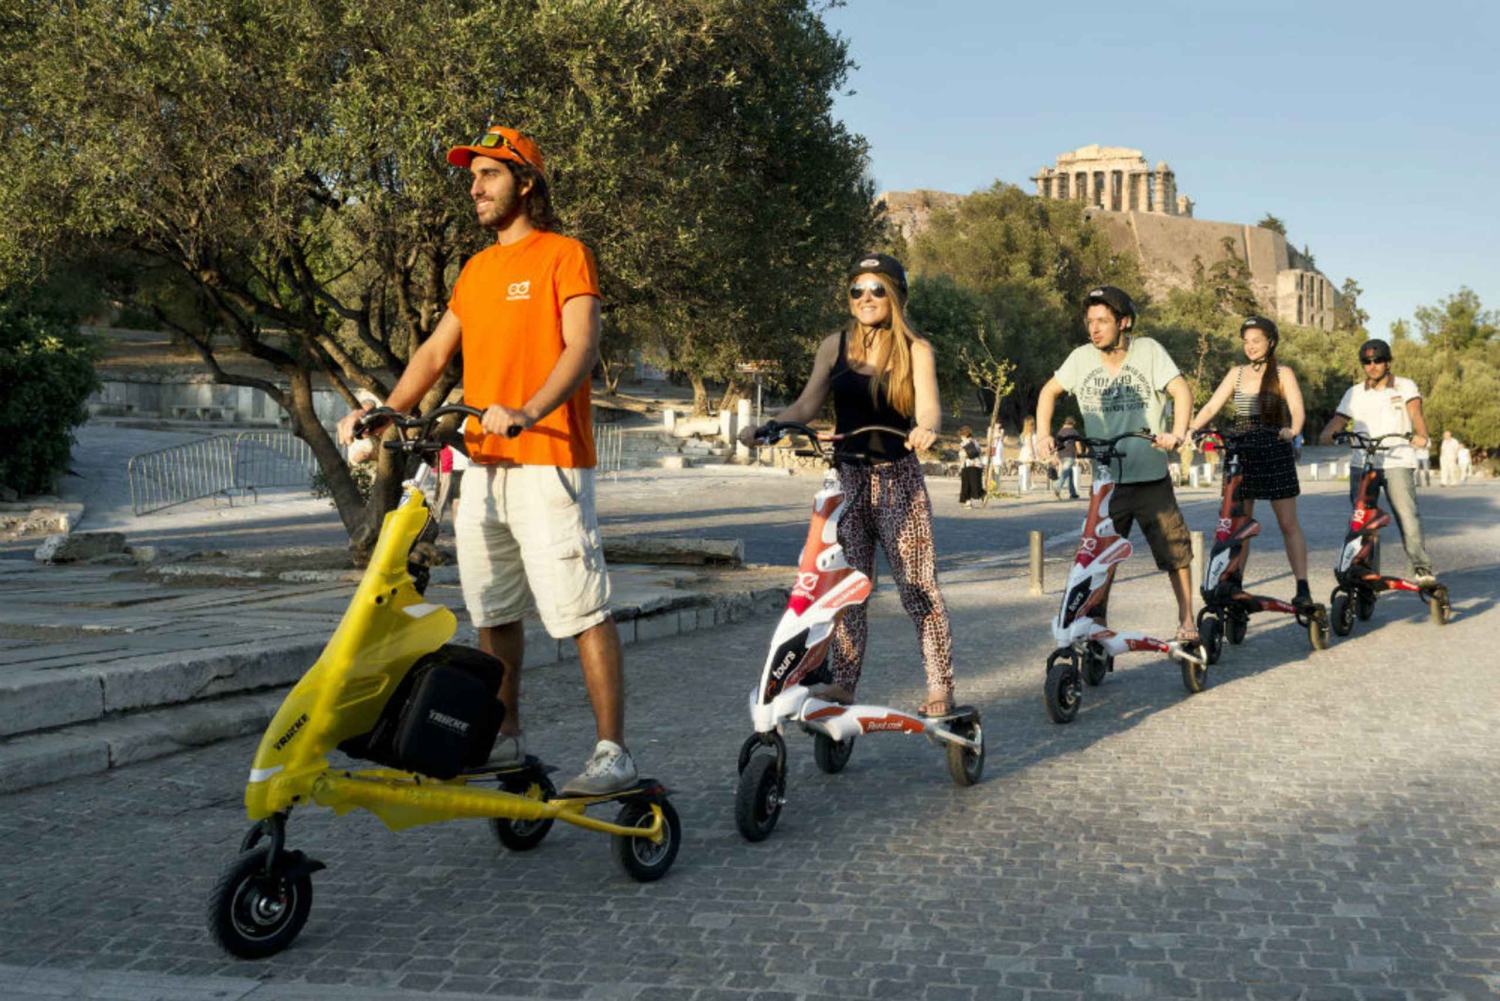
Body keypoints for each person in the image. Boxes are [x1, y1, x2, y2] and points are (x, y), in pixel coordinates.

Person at [336, 125, 637, 796]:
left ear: (525, 182)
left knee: (581, 606)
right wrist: (388, 406)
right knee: (494, 611)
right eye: (470, 177)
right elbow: (436, 352)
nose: (474, 187)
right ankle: (506, 740)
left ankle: (613, 752)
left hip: (549, 460)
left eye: (489, 175)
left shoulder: (565, 255)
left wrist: (529, 408)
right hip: (483, 465)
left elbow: (580, 347)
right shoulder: (476, 270)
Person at [737, 253, 957, 716]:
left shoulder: (916, 348)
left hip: (898, 478)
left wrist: (926, 429)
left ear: (896, 295)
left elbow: (931, 408)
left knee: (918, 589)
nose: (866, 298)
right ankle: (842, 683)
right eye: (857, 290)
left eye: (877, 289)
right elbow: (806, 405)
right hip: (848, 479)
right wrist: (769, 426)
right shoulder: (833, 345)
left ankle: (940, 686)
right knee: (847, 589)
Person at [1036, 285, 1198, 642]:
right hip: (1106, 483)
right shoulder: (1080, 358)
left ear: (1123, 322)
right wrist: (1043, 434)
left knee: (1175, 552)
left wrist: (1177, 433)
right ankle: (1094, 624)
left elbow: (1181, 391)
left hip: (1150, 477)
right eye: (1089, 321)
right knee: (1097, 559)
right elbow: (1049, 391)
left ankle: (1187, 621)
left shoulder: (1149, 351)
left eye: (1102, 321)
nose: (1094, 328)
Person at [1187, 316, 1314, 610]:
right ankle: (1235, 582)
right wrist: (1190, 429)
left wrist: (1293, 431)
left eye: (1256, 340)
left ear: (1270, 341)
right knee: (1238, 523)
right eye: (1246, 341)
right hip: (1241, 450)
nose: (1250, 346)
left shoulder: (1283, 373)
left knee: (1287, 522)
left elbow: (1297, 408)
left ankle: (1302, 586)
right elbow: (1211, 405)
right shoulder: (1237, 374)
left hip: (1274, 447)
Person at [1318, 338, 1436, 586]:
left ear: (1388, 362)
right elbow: (1339, 419)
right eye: (1367, 361)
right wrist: (1328, 432)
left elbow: (1416, 413)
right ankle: (1365, 568)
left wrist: (1421, 435)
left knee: (1407, 515)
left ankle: (1421, 567)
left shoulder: (1404, 386)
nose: (1372, 366)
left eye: (1377, 360)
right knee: (1362, 518)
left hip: (1397, 460)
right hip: (1363, 462)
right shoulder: (1355, 393)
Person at [1052, 416, 1081, 500]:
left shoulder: (1060, 432)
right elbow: (1077, 444)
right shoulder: (1074, 432)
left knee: (1070, 474)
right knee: (1065, 473)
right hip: (1070, 455)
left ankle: (1073, 493)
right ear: (1073, 424)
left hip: (1061, 455)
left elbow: (1056, 446)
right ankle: (1057, 487)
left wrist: (1055, 457)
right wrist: (1080, 454)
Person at [957, 425, 984, 509]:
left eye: (961, 436)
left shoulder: (963, 443)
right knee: (975, 484)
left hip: (967, 465)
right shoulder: (976, 442)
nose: (960, 437)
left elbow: (962, 455)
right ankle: (982, 493)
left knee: (966, 485)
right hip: (977, 465)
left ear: (964, 435)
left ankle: (967, 502)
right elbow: (979, 452)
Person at [1017, 417, 1038, 493]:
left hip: (1026, 451)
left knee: (1031, 468)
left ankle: (1031, 482)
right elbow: (1030, 444)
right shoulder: (1029, 434)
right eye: (1032, 424)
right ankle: (1029, 483)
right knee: (1029, 468)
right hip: (1029, 452)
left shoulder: (1024, 433)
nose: (1033, 426)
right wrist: (1032, 453)